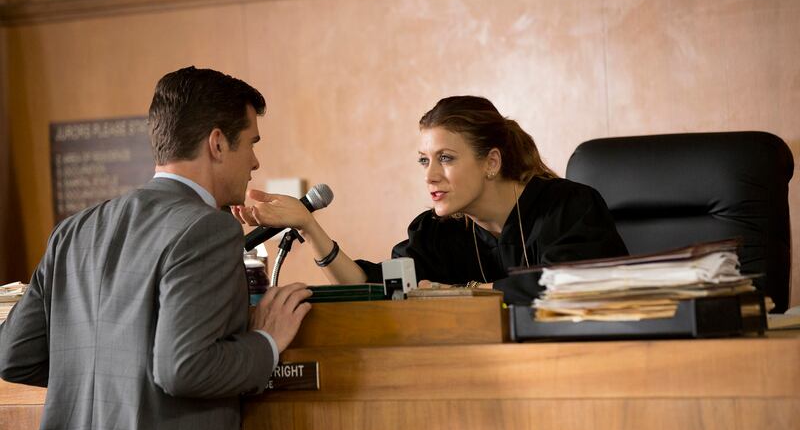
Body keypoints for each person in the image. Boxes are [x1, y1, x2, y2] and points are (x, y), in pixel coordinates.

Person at [0, 67, 312, 430]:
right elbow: (184, 368)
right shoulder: (207, 227)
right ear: (217, 143)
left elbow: (13, 355)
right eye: (251, 143)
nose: (255, 163)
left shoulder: (74, 231)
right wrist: (266, 342)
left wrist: (120, 371)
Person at [233, 95, 628, 303]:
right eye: (424, 160)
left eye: (446, 158)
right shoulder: (438, 231)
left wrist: (462, 295)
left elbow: (575, 288)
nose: (430, 175)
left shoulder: (569, 207)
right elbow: (376, 290)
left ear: (491, 162)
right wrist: (309, 225)